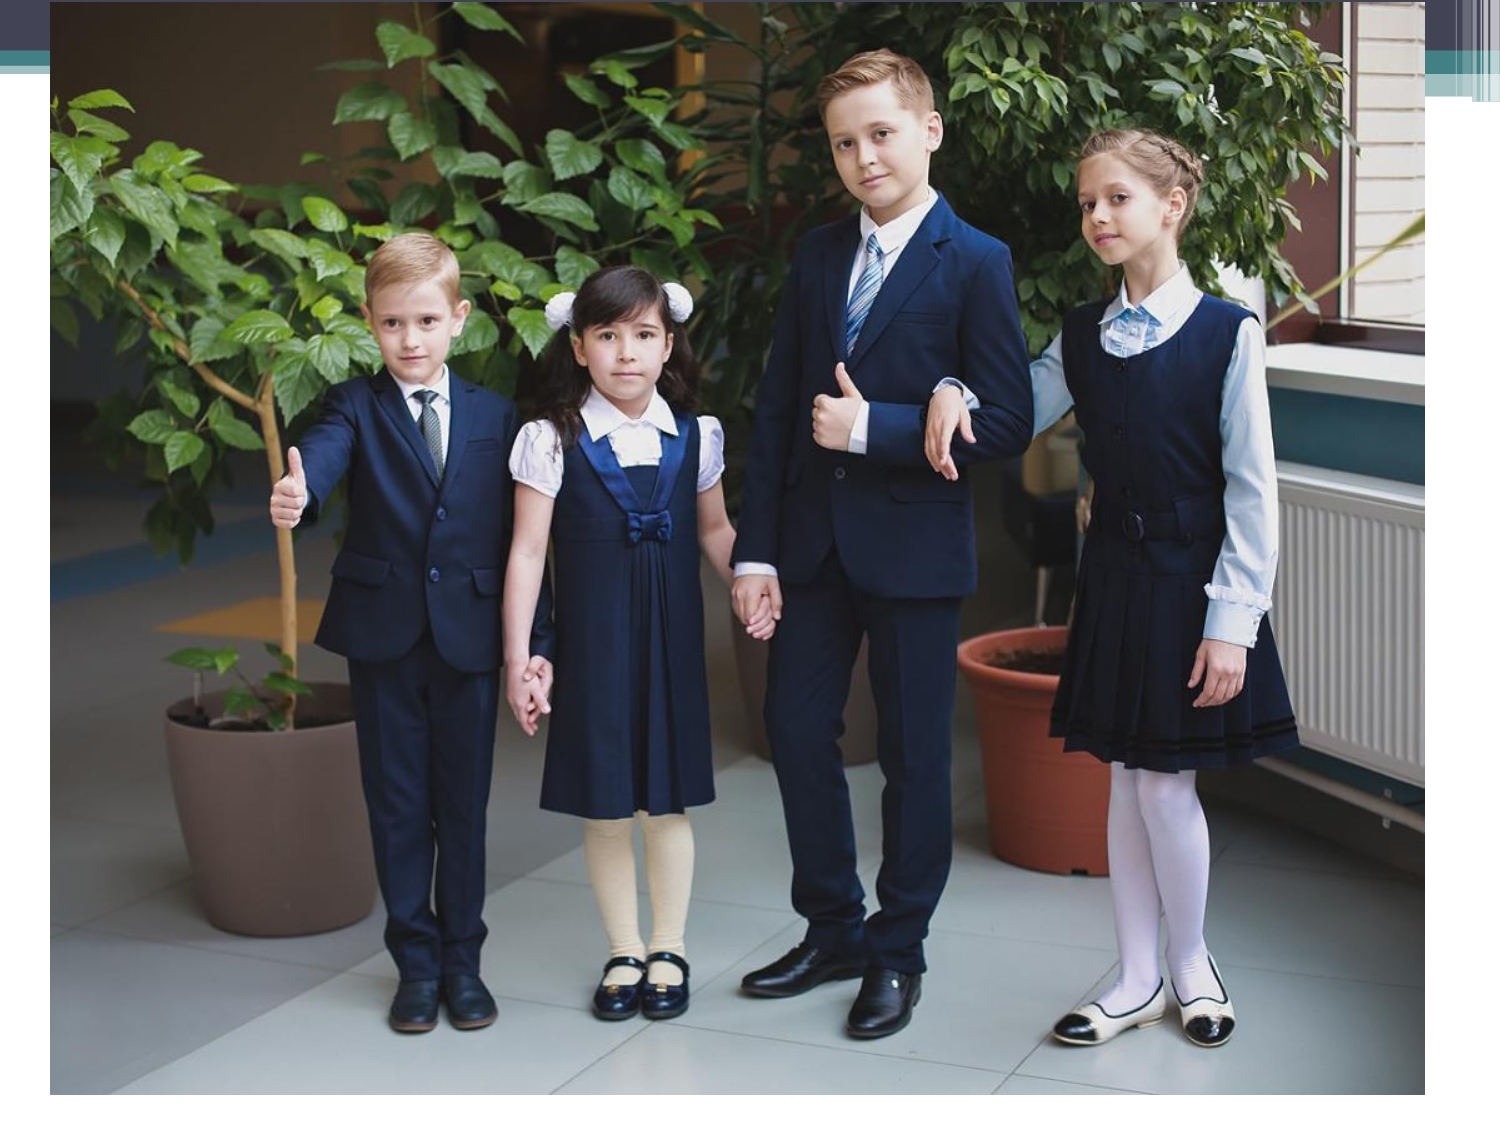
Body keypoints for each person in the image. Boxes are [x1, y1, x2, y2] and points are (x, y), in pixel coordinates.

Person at [925, 128, 1301, 1049]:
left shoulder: (1227, 332)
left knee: (1165, 789)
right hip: (1115, 581)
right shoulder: (1082, 335)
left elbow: (1253, 489)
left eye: (1117, 198)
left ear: (1173, 205)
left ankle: (1191, 963)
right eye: (1087, 202)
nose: (1096, 216)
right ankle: (1135, 977)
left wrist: (1232, 623)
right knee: (1127, 786)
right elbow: (1013, 414)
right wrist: (951, 390)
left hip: (1192, 586)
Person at [730, 48, 1034, 1040]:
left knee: (912, 757)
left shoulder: (976, 260)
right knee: (795, 731)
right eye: (844, 143)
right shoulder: (820, 255)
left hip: (913, 552)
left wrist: (875, 428)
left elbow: (1008, 419)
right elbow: (782, 406)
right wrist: (755, 550)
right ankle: (834, 930)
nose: (864, 158)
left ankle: (899, 950)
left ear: (929, 131)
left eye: (881, 135)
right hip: (812, 548)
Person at [269, 232, 544, 1034]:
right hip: (384, 637)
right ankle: (416, 965)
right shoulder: (353, 405)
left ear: (460, 317)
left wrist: (536, 640)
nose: (410, 340)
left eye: (426, 321)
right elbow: (323, 457)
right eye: (392, 323)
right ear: (368, 321)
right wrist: (299, 492)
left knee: (463, 806)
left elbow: (526, 541)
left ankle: (464, 962)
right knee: (395, 804)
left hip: (470, 637)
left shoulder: (497, 414)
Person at [501, 266, 768, 1023]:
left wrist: (754, 580)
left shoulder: (696, 435)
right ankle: (623, 949)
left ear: (668, 344)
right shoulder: (550, 440)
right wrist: (520, 657)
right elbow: (528, 552)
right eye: (608, 336)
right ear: (578, 346)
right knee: (608, 806)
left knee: (667, 802)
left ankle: (668, 947)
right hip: (592, 648)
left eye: (644, 335)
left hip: (672, 645)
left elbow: (715, 530)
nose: (626, 352)